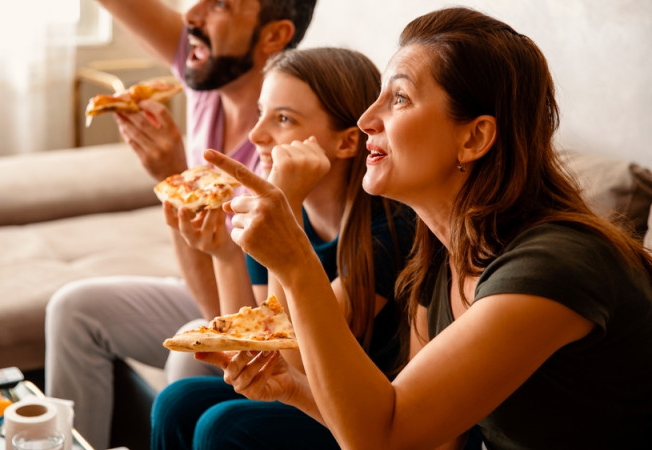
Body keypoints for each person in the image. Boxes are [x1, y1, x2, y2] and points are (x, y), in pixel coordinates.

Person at [199, 6, 652, 449]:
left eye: (398, 98)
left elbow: (384, 438)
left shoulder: (552, 266)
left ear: (473, 138)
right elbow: (419, 435)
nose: (365, 120)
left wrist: (297, 261)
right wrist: (294, 389)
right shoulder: (439, 263)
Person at [44, 1, 316, 449]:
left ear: (273, 36)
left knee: (187, 364)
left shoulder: (283, 157)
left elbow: (232, 320)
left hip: (243, 309)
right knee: (73, 308)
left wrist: (175, 182)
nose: (192, 14)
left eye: (222, 5)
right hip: (205, 286)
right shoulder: (209, 72)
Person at [151, 46, 416, 450]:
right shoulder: (278, 209)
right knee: (177, 399)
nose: (255, 134)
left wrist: (283, 211)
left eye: (283, 119)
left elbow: (290, 361)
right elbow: (255, 344)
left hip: (360, 417)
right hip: (302, 392)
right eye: (261, 113)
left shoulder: (389, 232)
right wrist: (224, 253)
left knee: (222, 427)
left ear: (347, 143)